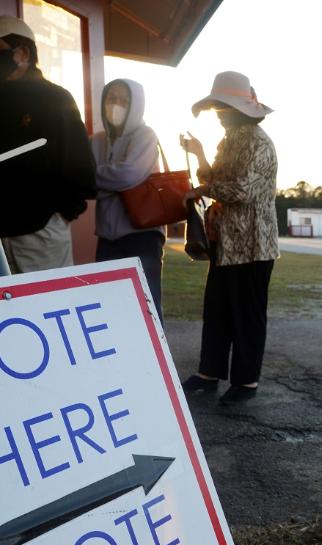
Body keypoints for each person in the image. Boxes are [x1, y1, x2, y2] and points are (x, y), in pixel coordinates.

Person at [179, 71, 279, 404]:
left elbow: (244, 189)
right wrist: (199, 153)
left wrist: (206, 188)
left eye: (223, 108)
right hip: (227, 243)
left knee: (247, 314)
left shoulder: (259, 141)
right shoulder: (230, 139)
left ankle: (246, 381)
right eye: (217, 108)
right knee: (218, 309)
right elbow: (215, 176)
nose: (219, 114)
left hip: (253, 244)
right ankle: (210, 372)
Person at [0, 16, 96, 273]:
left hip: (42, 234)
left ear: (22, 53)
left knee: (50, 302)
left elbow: (80, 165)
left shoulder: (55, 98)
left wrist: (59, 216)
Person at [90, 79, 165, 317]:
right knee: (108, 306)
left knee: (146, 305)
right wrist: (110, 183)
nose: (116, 105)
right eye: (111, 98)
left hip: (142, 234)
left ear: (136, 104)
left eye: (124, 100)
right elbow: (85, 180)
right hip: (107, 237)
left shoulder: (145, 135)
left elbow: (127, 173)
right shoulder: (96, 140)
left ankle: (154, 355)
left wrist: (100, 182)